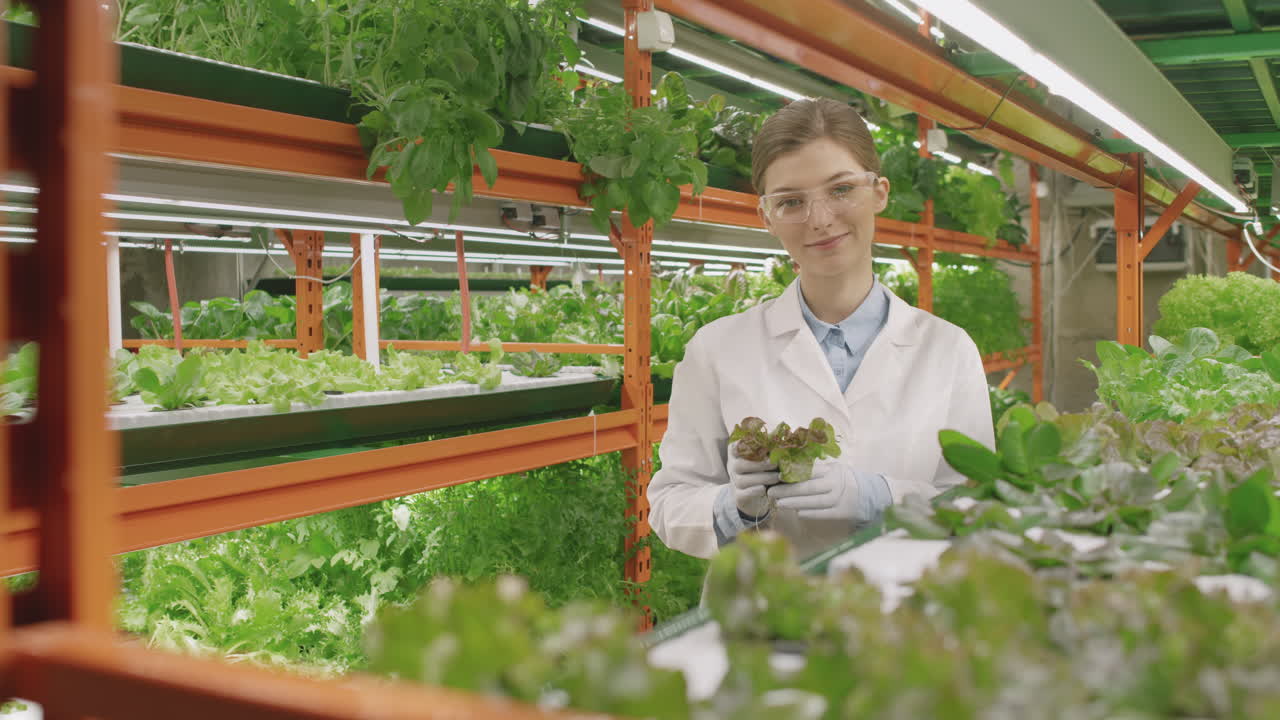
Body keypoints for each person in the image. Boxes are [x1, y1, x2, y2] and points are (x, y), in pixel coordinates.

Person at [647, 97, 995, 560]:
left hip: (904, 615)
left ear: (880, 193)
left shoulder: (948, 349)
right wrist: (735, 508)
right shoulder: (717, 348)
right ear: (766, 216)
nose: (820, 219)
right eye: (791, 201)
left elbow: (978, 505)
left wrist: (878, 497)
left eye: (841, 189)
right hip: (767, 613)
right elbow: (670, 503)